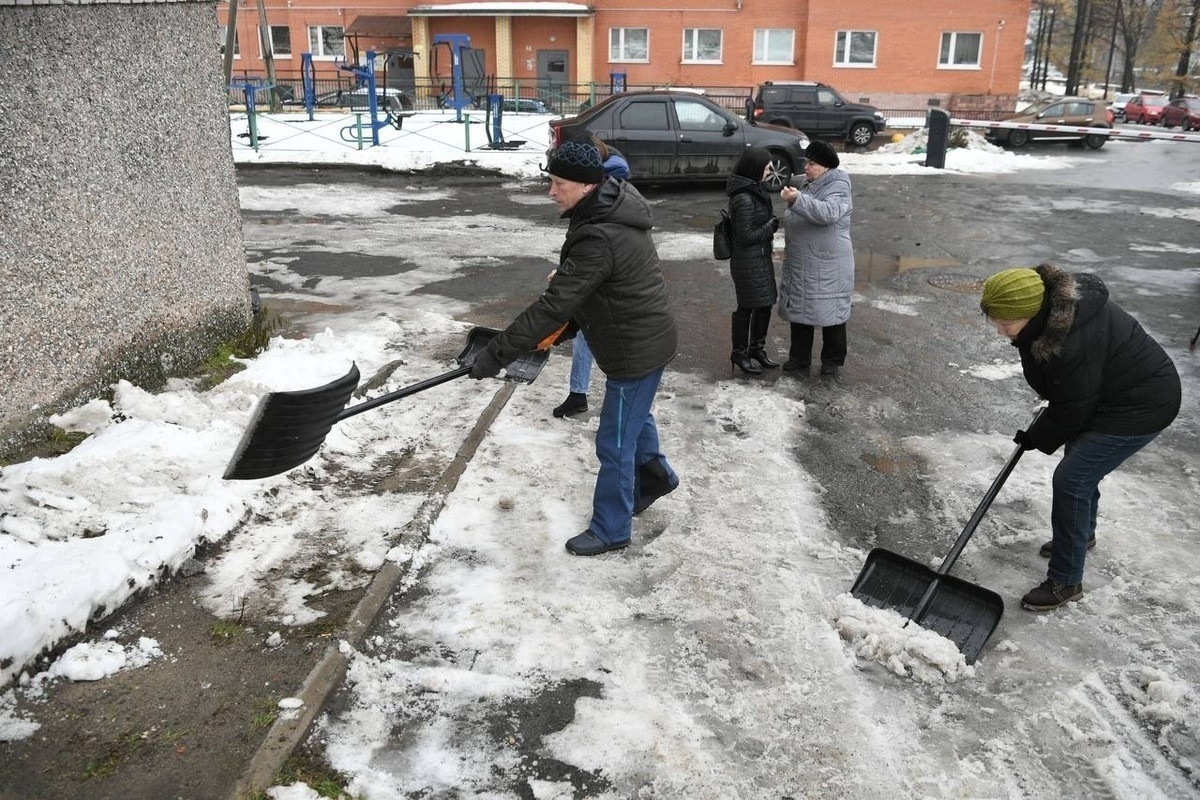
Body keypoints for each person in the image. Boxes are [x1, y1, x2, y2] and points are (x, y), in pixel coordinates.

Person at [469, 139, 679, 556]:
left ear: (585, 185)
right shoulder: (607, 206)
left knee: (615, 442)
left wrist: (495, 353)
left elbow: (554, 306)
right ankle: (656, 476)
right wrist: (563, 323)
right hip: (642, 338)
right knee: (635, 419)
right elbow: (594, 290)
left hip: (634, 349)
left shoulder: (600, 233)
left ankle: (611, 529)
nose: (551, 191)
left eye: (558, 183)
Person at [979, 265, 1181, 612]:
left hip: (1141, 406)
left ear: (1032, 312)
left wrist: (1036, 437)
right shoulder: (1050, 319)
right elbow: (1069, 398)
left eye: (1006, 323)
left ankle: (1065, 580)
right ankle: (1081, 534)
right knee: (1080, 461)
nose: (1000, 331)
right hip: (1111, 395)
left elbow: (1072, 407)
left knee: (1073, 478)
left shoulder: (1068, 342)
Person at [551, 138, 631, 418]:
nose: (552, 192)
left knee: (599, 339)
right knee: (588, 334)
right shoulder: (602, 188)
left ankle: (579, 394)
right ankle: (578, 393)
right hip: (603, 277)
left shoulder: (606, 182)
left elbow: (598, 244)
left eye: (560, 183)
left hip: (612, 288)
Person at [778, 140, 854, 378]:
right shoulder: (809, 184)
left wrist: (797, 199)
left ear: (826, 166)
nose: (806, 168)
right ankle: (799, 358)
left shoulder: (838, 186)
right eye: (806, 162)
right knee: (801, 311)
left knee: (831, 313)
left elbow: (828, 213)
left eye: (811, 163)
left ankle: (832, 360)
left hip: (828, 264)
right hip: (804, 261)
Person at [725, 147, 780, 374]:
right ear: (755, 168)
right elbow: (745, 236)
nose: (770, 172)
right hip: (747, 261)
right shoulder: (744, 198)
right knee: (746, 307)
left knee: (765, 304)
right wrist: (770, 227)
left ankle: (757, 348)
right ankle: (739, 353)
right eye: (767, 168)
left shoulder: (754, 190)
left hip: (759, 258)